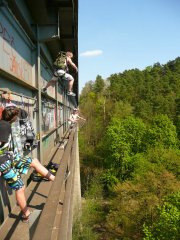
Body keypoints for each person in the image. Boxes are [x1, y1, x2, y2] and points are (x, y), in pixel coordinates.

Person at [0, 106, 55, 222]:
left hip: (11, 159)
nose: (17, 118)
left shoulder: (5, 124)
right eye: (16, 116)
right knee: (20, 187)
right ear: (13, 117)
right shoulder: (4, 126)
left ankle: (54, 178)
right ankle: (27, 215)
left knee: (33, 161)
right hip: (4, 164)